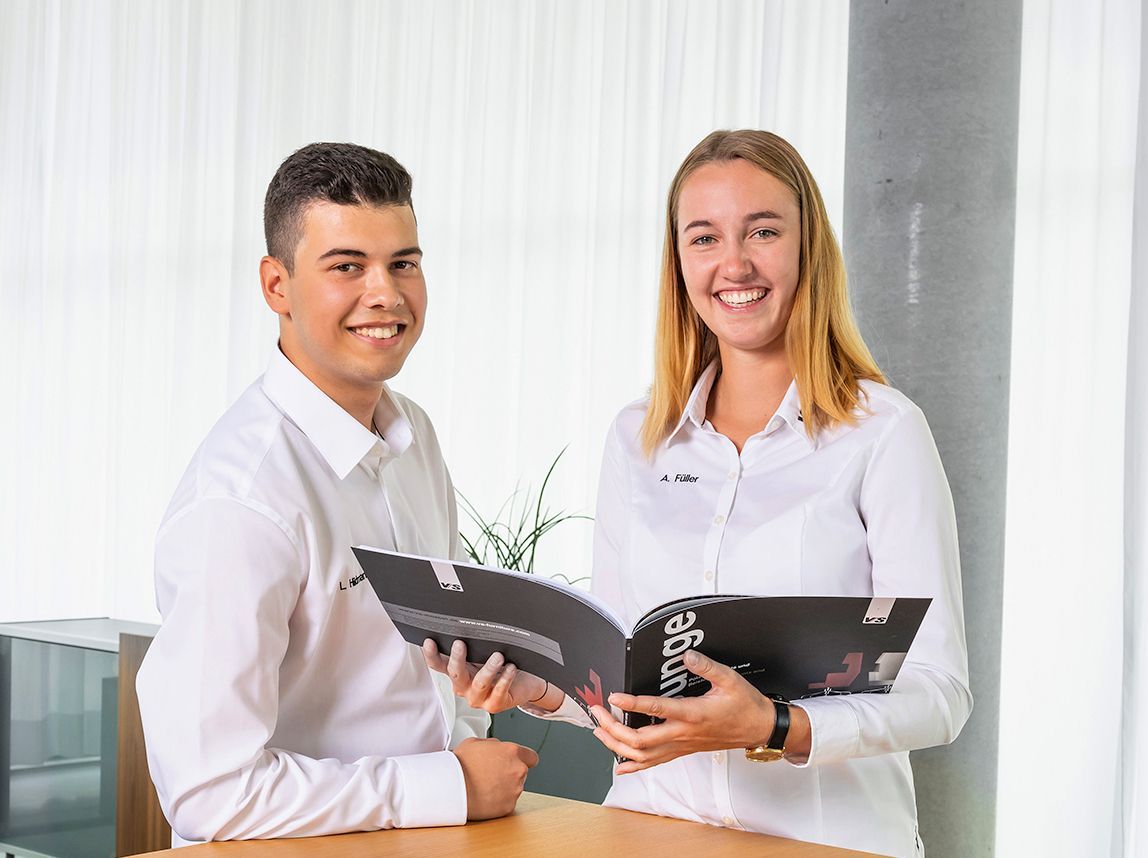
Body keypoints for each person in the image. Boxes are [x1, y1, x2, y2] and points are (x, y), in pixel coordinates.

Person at [427, 129, 971, 857]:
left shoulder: (882, 432)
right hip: (647, 833)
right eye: (705, 237)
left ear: (809, 245)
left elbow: (940, 693)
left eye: (763, 231)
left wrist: (774, 726)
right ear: (679, 260)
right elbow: (626, 678)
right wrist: (544, 693)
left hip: (827, 842)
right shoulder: (638, 438)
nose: (734, 264)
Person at [136, 142, 537, 845]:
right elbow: (208, 794)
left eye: (403, 263)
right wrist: (449, 786)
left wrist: (469, 742)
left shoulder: (414, 434)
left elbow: (426, 673)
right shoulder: (240, 501)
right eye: (347, 266)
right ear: (276, 286)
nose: (385, 293)